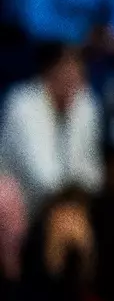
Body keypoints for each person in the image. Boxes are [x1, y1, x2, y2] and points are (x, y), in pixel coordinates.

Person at [0, 42, 101, 206]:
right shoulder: (22, 104)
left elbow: (93, 173)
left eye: (79, 71)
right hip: (22, 203)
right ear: (49, 72)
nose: (74, 77)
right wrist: (74, 192)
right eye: (68, 69)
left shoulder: (84, 103)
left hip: (67, 203)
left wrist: (79, 194)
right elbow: (42, 177)